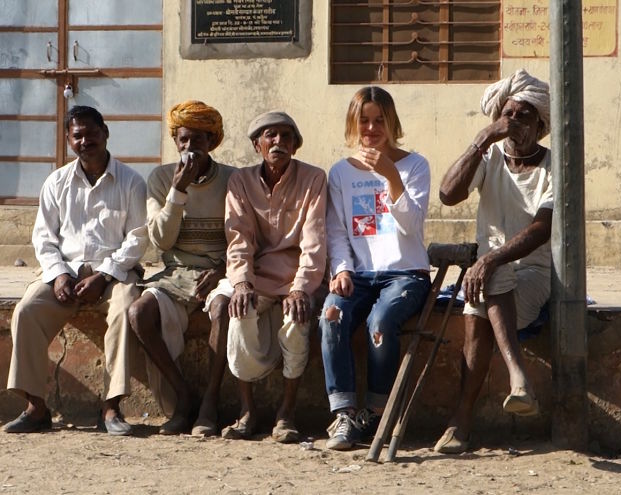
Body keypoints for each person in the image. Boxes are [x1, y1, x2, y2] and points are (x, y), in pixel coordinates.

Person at [4, 105, 148, 435]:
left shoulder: (131, 182)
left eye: (92, 133)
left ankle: (111, 408)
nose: (86, 141)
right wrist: (58, 275)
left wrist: (105, 275)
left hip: (113, 276)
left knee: (126, 310)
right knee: (27, 310)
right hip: (66, 277)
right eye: (77, 135)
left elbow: (138, 240)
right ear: (69, 140)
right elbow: (43, 237)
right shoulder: (56, 182)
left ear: (105, 133)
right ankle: (36, 408)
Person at [435, 69, 553, 453]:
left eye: (524, 115)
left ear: (540, 123)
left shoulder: (554, 167)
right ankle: (517, 380)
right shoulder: (490, 157)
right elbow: (448, 195)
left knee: (484, 292)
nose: (515, 123)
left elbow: (541, 229)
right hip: (487, 280)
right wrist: (479, 142)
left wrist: (490, 260)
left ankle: (461, 421)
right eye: (509, 115)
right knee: (477, 316)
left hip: (532, 274)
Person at [319, 87, 432, 450]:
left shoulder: (415, 166)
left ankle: (377, 413)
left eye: (379, 120)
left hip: (405, 273)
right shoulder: (340, 172)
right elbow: (337, 229)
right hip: (360, 274)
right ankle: (345, 413)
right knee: (332, 313)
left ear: (392, 122)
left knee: (380, 322)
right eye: (364, 121)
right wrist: (340, 269)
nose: (371, 129)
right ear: (354, 124)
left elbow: (411, 227)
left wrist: (391, 178)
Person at [207, 111, 327, 443]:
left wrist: (302, 288)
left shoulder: (314, 178)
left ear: (295, 145)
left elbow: (314, 241)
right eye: (270, 136)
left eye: (286, 137)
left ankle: (286, 412)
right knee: (236, 308)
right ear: (257, 145)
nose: (278, 143)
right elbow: (238, 238)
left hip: (296, 277)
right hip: (254, 276)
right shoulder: (240, 182)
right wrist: (242, 282)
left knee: (297, 319)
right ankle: (247, 410)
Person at [128, 100, 235, 436]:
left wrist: (221, 271)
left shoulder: (233, 179)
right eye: (184, 140)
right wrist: (178, 191)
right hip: (175, 273)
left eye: (199, 140)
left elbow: (244, 237)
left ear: (212, 142)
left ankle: (210, 404)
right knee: (138, 313)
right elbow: (160, 241)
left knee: (223, 310)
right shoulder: (161, 179)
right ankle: (183, 396)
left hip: (220, 271)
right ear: (176, 141)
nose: (191, 148)